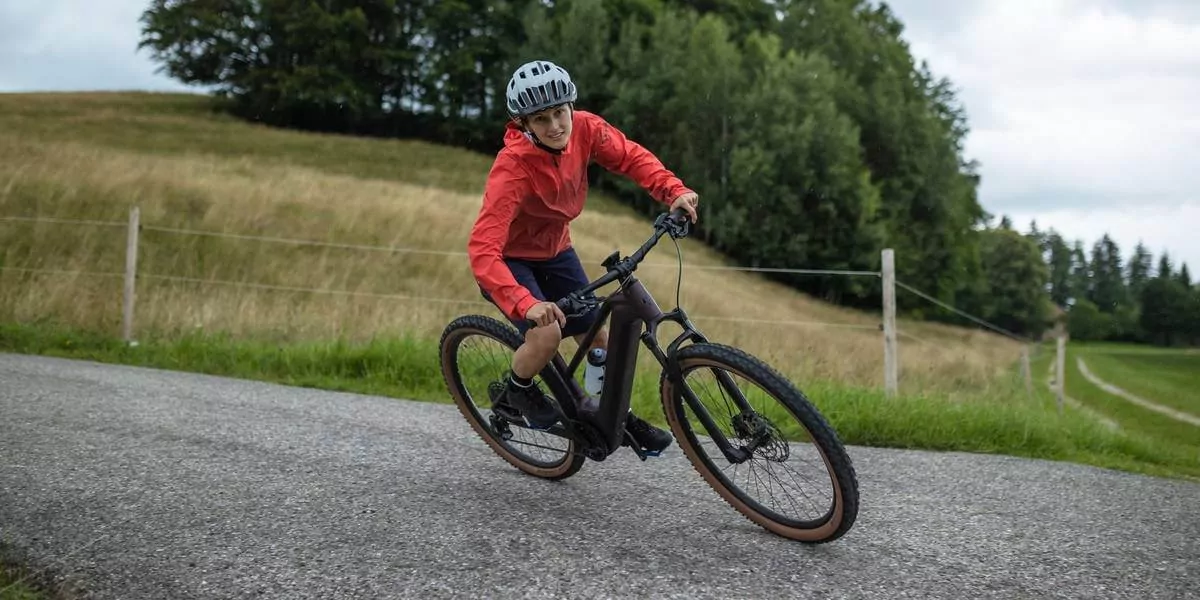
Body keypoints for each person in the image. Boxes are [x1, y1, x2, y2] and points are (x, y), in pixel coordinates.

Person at [467, 59, 699, 454]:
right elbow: (483, 249)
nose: (556, 125)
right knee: (547, 334)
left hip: (557, 250)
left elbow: (630, 156)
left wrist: (671, 190)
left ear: (571, 106)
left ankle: (608, 416)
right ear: (523, 124)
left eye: (560, 112)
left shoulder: (586, 129)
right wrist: (527, 302)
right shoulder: (513, 168)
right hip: (511, 262)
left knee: (597, 339)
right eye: (541, 119)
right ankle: (518, 389)